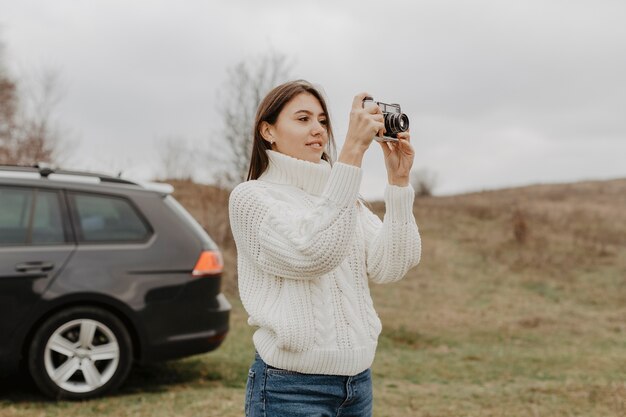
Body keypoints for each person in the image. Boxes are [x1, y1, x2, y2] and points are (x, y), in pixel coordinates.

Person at [229, 80, 421, 417]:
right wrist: (352, 154)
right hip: (290, 388)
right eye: (302, 119)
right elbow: (312, 254)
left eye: (322, 120)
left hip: (357, 384)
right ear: (268, 131)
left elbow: (391, 266)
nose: (317, 129)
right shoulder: (251, 199)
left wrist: (399, 184)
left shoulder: (344, 197)